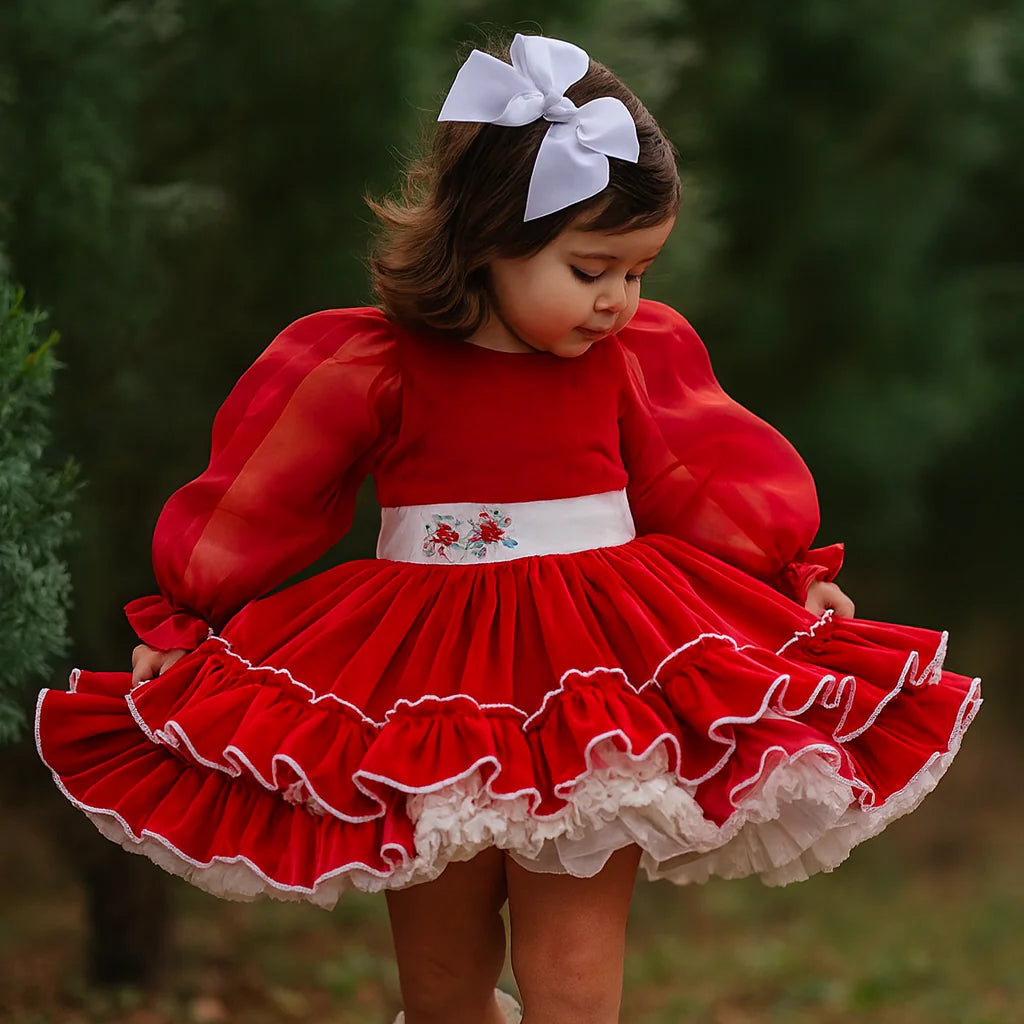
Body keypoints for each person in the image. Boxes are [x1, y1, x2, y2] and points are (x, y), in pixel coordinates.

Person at [36, 33, 981, 1024]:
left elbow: (700, 473)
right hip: (419, 679)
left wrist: (790, 571)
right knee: (442, 984)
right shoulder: (374, 364)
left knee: (574, 978)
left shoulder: (632, 355)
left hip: (598, 671)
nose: (619, 298)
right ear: (487, 236)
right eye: (589, 268)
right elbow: (263, 495)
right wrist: (187, 616)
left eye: (638, 270)